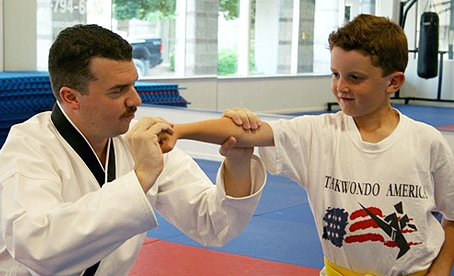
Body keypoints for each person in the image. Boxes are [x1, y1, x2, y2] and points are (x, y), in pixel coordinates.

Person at [162, 14, 454, 275]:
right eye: (335, 74)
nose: (340, 86)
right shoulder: (318, 134)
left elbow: (452, 217)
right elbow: (247, 132)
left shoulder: (426, 141)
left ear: (393, 82)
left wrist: (441, 271)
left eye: (355, 77)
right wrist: (178, 131)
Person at [0, 24, 266, 275]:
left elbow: (213, 224)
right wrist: (141, 177)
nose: (136, 100)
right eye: (117, 90)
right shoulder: (28, 149)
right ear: (71, 97)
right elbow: (39, 250)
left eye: (134, 84)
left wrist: (238, 161)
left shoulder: (136, 140)